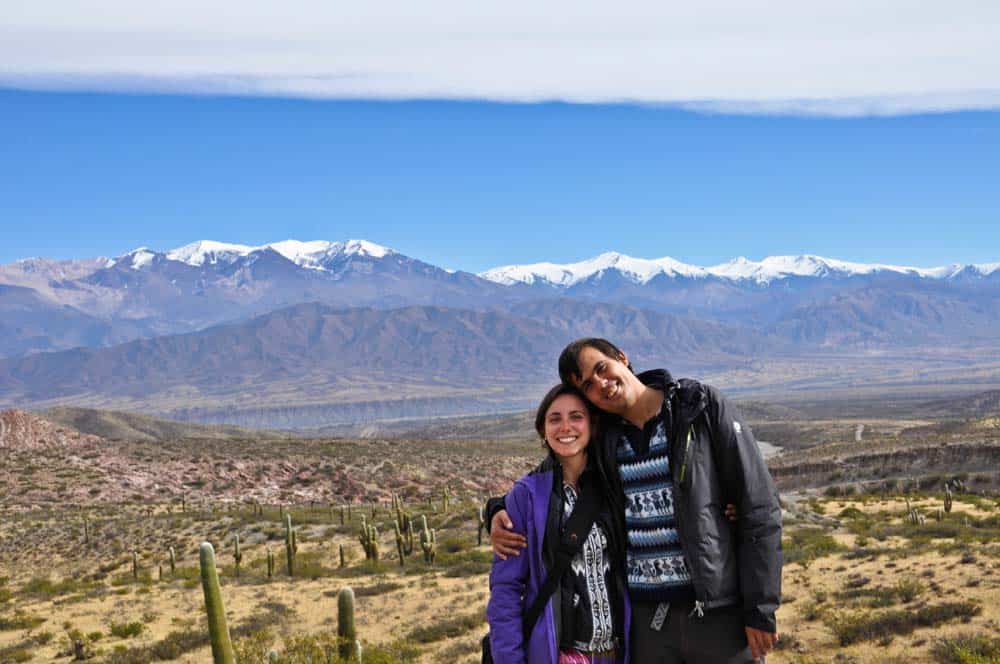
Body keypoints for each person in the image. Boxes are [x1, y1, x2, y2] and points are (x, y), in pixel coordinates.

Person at [488, 339, 782, 663]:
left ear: (622, 358)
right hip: (647, 625)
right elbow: (557, 468)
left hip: (718, 613)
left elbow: (758, 505)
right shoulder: (607, 438)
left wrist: (761, 608)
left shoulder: (697, 406)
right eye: (588, 385)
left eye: (601, 368)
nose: (601, 383)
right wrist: (498, 509)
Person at [487, 383, 630, 664]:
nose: (565, 427)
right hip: (561, 656)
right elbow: (505, 590)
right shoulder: (527, 497)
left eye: (576, 416)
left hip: (621, 652)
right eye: (555, 419)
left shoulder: (615, 484)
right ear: (543, 430)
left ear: (592, 424)